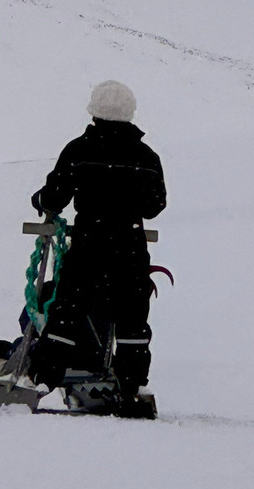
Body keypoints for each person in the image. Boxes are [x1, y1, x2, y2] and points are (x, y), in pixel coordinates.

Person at [27, 81, 167, 395]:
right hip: (130, 247)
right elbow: (155, 205)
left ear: (94, 112)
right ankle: (130, 386)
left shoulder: (79, 150)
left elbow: (55, 196)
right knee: (132, 317)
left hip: (89, 245)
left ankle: (44, 378)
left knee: (68, 310)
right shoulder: (146, 157)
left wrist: (41, 201)